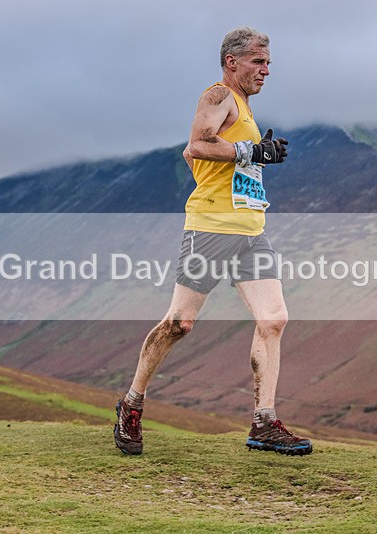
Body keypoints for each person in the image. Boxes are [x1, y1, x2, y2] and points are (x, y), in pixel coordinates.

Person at [114, 27, 312, 456]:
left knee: (274, 319)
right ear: (231, 62)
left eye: (268, 62)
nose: (266, 69)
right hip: (211, 229)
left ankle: (264, 423)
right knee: (179, 324)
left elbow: (195, 157)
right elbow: (197, 145)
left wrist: (251, 154)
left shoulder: (244, 109)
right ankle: (131, 403)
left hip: (251, 233)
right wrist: (251, 153)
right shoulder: (218, 95)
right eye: (258, 61)